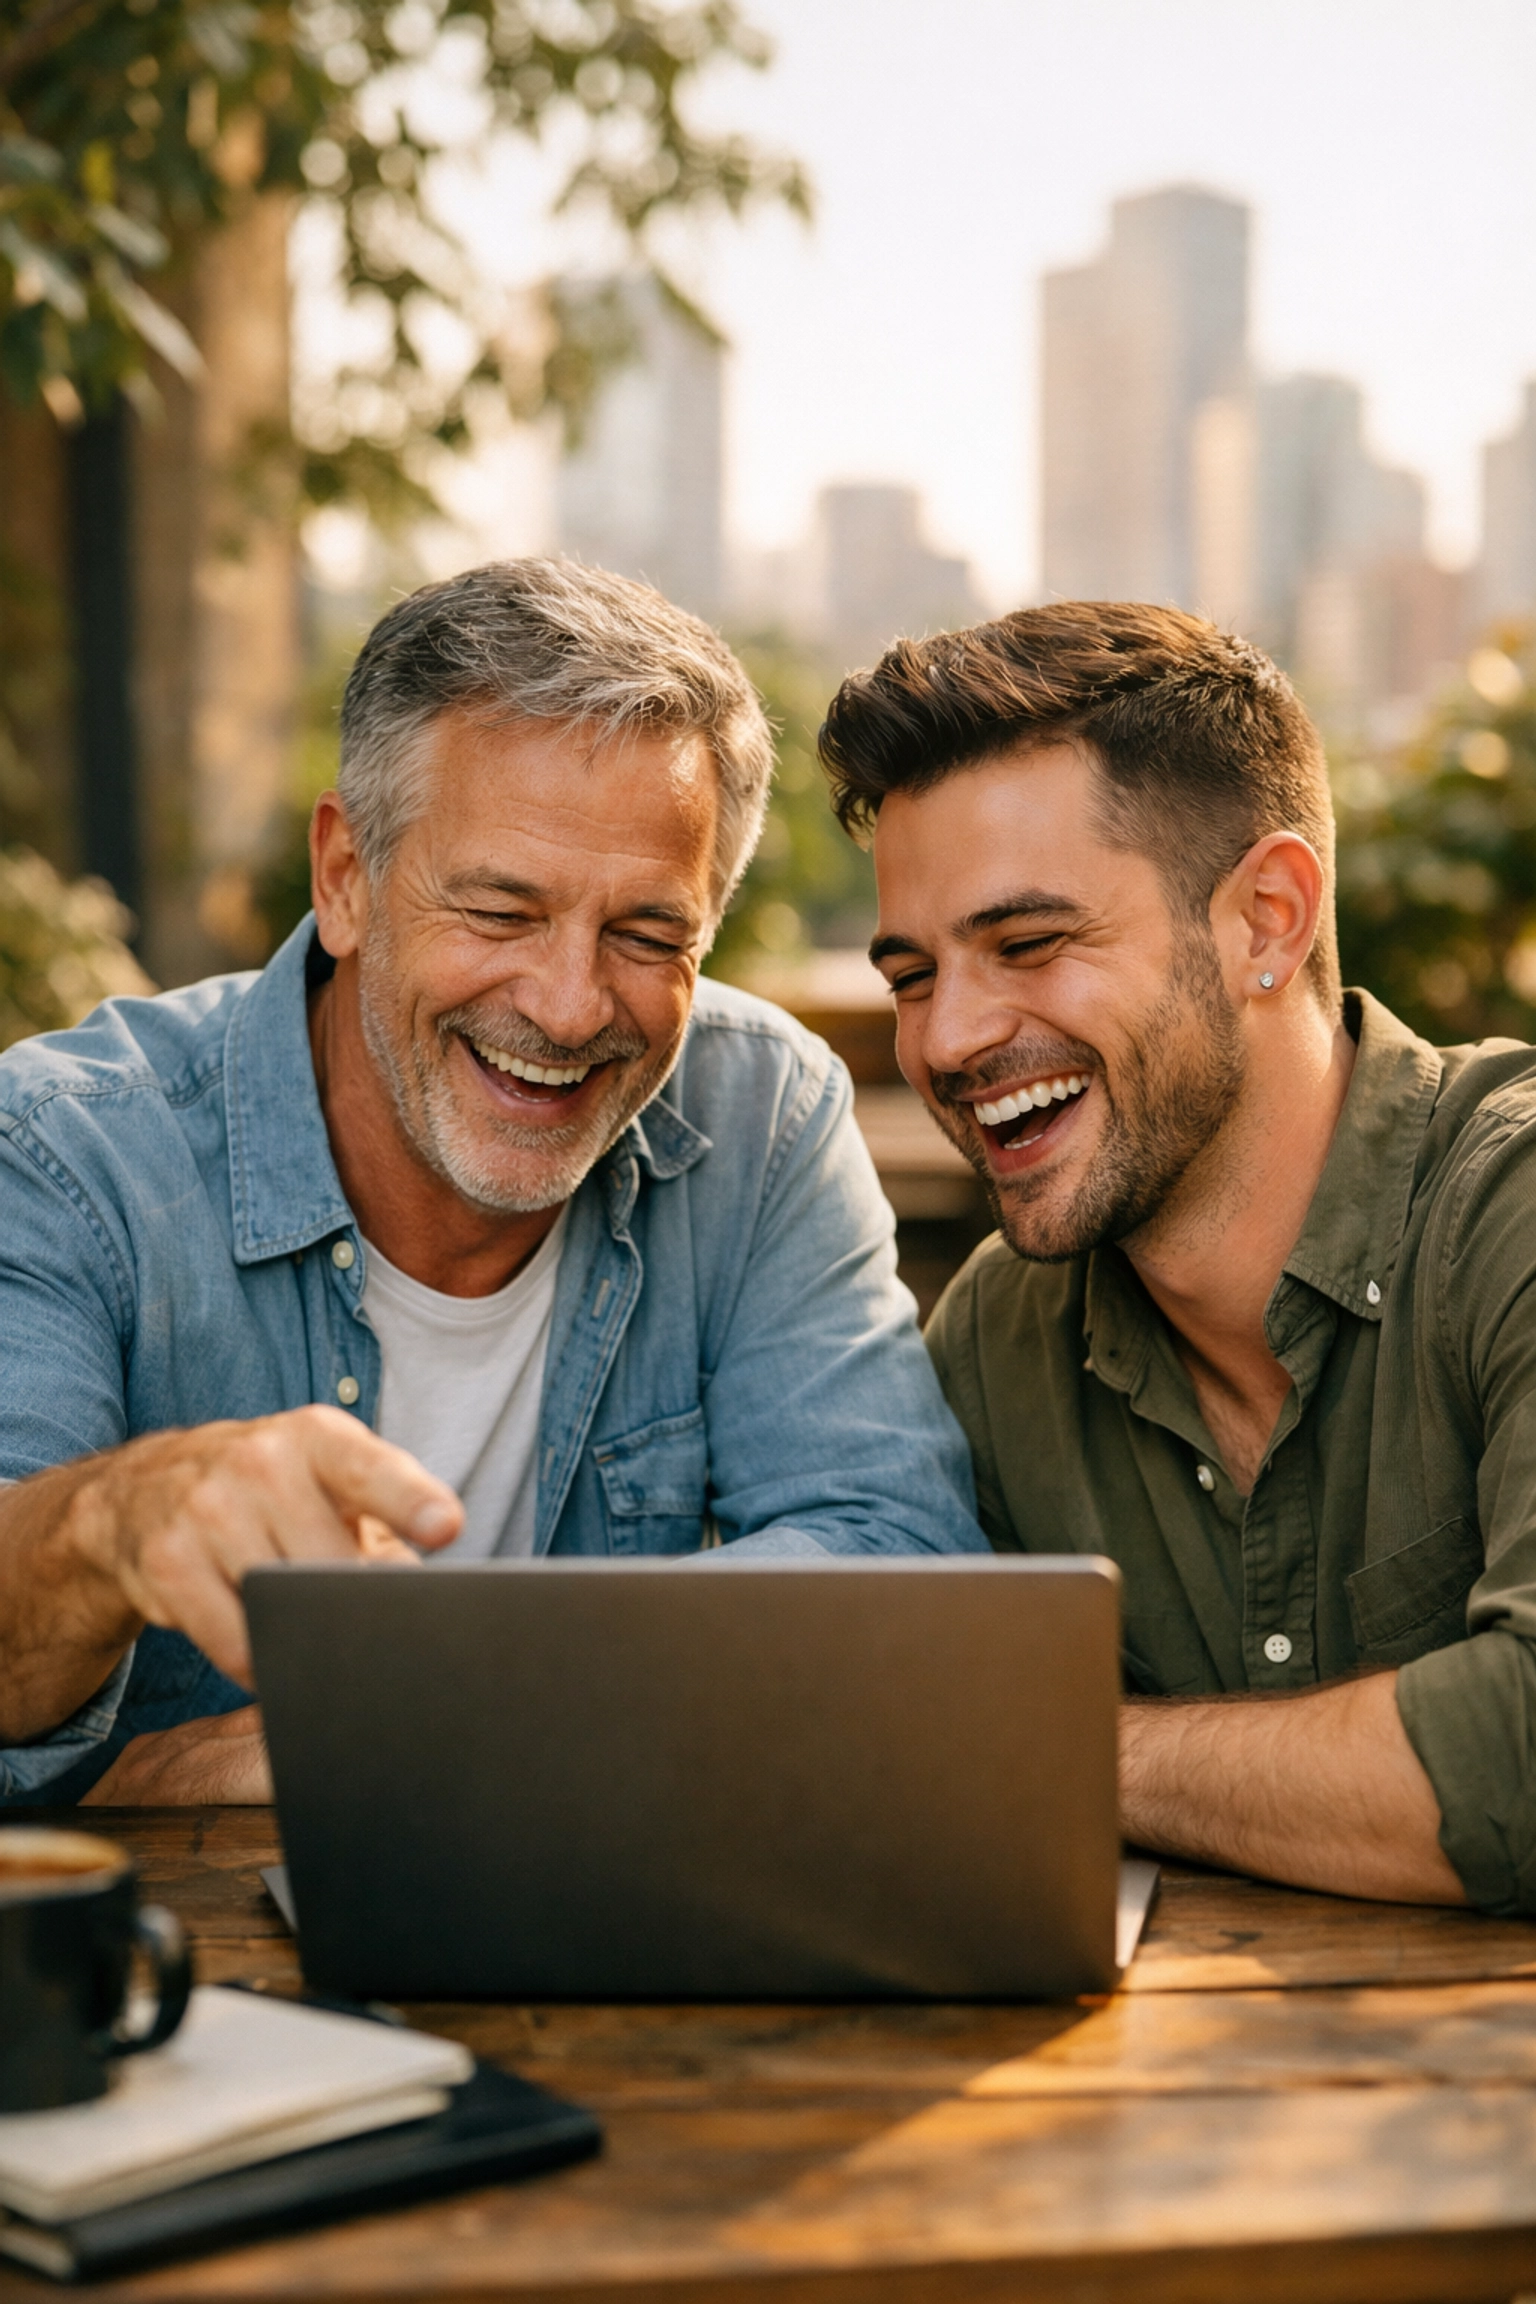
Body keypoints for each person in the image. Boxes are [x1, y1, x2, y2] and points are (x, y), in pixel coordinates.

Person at [0, 558, 982, 1810]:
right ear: (347, 876)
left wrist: (405, 1722)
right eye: (500, 913)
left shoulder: (759, 1112)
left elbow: (894, 1559)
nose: (569, 1007)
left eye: (646, 936)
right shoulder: (68, 1150)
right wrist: (110, 1526)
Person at [824, 599, 1536, 1917]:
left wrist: (1071, 1752)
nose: (949, 1040)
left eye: (1028, 944)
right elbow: (893, 1745)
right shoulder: (998, 1341)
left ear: (1268, 918)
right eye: (913, 974)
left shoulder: (1511, 1212)